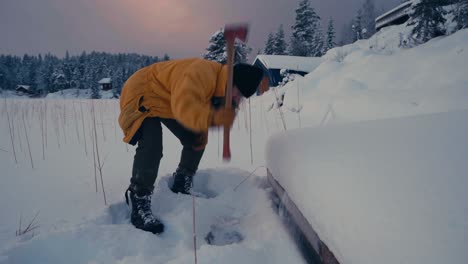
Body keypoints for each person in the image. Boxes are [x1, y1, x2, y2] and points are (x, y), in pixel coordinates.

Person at [118, 58, 264, 234]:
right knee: (152, 145)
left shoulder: (220, 86)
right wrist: (214, 117)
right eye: (238, 93)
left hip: (165, 100)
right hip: (142, 91)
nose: (237, 99)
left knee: (197, 137)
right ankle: (139, 197)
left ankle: (182, 180)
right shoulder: (200, 73)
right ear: (232, 82)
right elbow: (185, 108)